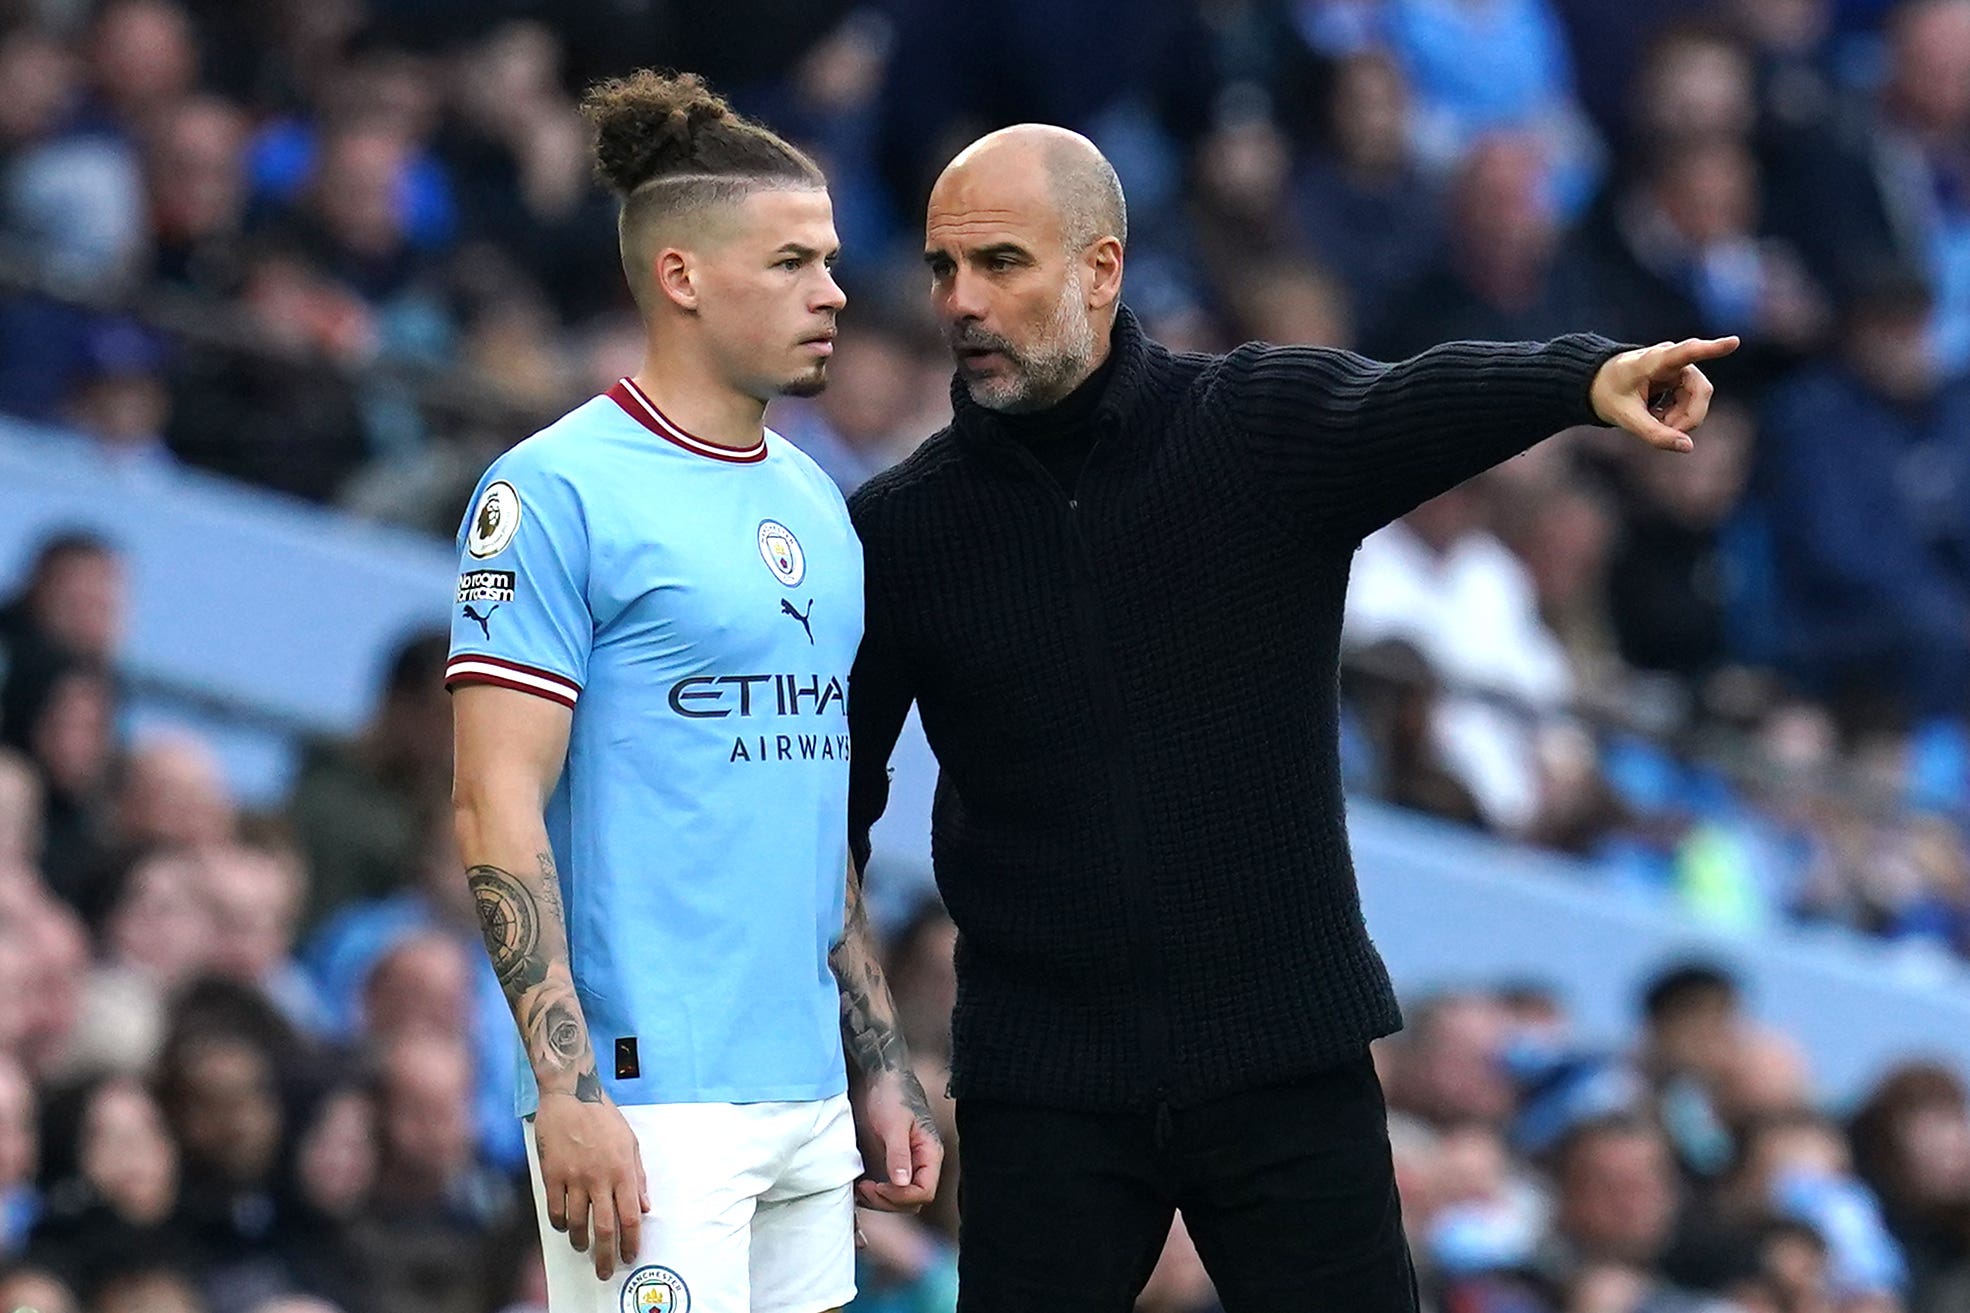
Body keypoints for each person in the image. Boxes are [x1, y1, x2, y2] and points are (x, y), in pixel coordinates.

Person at [846, 122, 1734, 1311]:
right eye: (943, 269)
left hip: (1282, 1054)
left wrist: (1580, 375)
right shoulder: (900, 531)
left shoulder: (1250, 424)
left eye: (1002, 262)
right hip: (1045, 1087)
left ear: (1100, 269)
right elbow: (824, 821)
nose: (962, 300)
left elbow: (1418, 398)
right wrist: (864, 1056)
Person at [446, 70, 941, 1313]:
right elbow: (493, 801)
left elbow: (811, 799)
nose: (833, 291)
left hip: (802, 1084)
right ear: (680, 277)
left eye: (828, 261)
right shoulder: (553, 491)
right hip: (645, 1092)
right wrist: (564, 1090)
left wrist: (872, 1057)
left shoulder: (817, 500)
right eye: (790, 262)